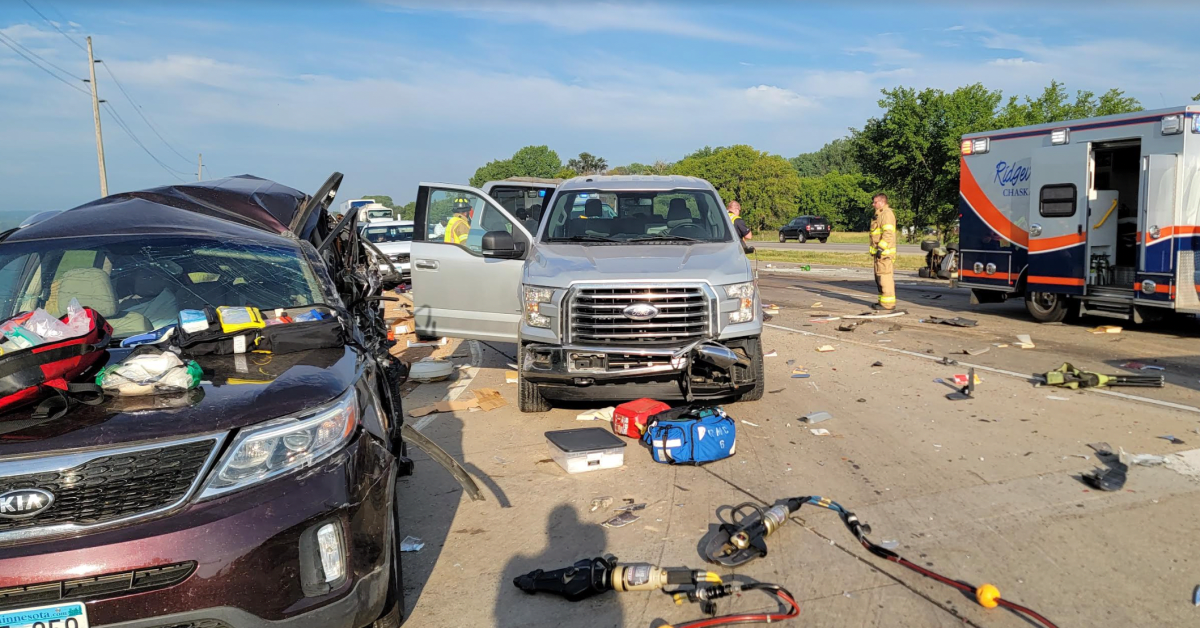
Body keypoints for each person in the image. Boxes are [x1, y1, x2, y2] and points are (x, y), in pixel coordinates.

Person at [869, 193, 897, 310]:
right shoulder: (879, 215)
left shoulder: (887, 214)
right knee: (879, 278)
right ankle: (882, 302)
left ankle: (888, 304)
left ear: (882, 202)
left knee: (885, 278)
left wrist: (881, 248)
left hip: (884, 254)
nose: (873, 204)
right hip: (879, 254)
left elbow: (888, 233)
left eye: (875, 202)